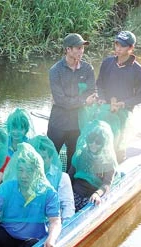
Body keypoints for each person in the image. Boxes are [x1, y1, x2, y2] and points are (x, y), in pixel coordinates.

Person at [48, 33, 98, 172]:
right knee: (50, 157)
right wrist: (83, 101)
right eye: (78, 48)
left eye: (82, 48)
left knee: (73, 160)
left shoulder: (88, 69)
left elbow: (92, 92)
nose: (81, 51)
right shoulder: (55, 71)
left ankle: (70, 187)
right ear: (68, 49)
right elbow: (60, 100)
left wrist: (78, 101)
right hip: (58, 122)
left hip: (78, 123)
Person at [96, 30, 141, 162]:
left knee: (118, 146)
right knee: (101, 142)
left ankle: (117, 171)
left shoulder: (137, 70)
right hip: (105, 111)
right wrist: (101, 97)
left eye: (122, 46)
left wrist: (124, 103)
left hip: (123, 114)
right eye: (116, 44)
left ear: (131, 48)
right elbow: (99, 84)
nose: (118, 49)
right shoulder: (107, 63)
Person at [68, 120, 118, 212]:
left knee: (85, 210)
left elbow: (106, 184)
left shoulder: (108, 161)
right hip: (76, 191)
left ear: (104, 143)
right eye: (91, 140)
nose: (93, 144)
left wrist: (97, 194)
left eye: (98, 142)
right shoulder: (80, 154)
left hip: (92, 195)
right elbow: (70, 176)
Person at [28, 135, 75, 222]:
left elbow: (67, 207)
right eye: (36, 158)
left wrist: (65, 228)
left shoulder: (62, 177)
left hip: (51, 224)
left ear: (51, 158)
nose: (39, 162)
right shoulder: (25, 174)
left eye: (43, 158)